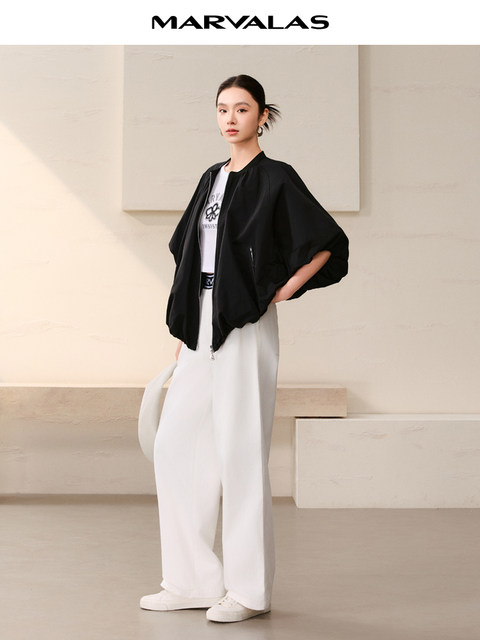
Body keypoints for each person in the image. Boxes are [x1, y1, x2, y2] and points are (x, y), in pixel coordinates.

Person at [140, 74, 349, 623]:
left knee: (240, 450)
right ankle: (189, 581)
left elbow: (327, 243)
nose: (230, 118)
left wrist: (284, 288)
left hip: (246, 321)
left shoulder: (277, 177)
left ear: (262, 116)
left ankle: (249, 592)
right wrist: (186, 327)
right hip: (200, 321)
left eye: (242, 108)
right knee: (175, 445)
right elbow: (189, 253)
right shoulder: (211, 178)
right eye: (222, 109)